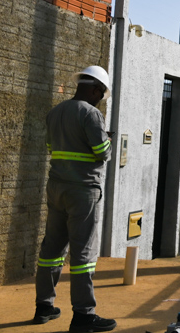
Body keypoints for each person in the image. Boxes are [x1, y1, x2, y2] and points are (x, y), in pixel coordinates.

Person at [32, 66, 116, 332]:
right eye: (101, 94)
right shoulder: (91, 114)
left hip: (56, 188)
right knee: (83, 255)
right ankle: (83, 315)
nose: (100, 98)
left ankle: (44, 306)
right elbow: (102, 152)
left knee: (51, 251)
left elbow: (50, 147)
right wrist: (108, 141)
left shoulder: (55, 112)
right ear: (94, 89)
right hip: (83, 191)